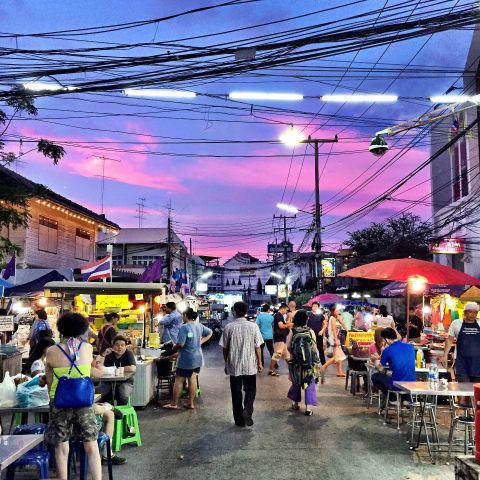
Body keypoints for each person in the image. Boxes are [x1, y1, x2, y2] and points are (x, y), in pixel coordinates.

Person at [44, 313, 103, 480]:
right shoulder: (87, 348)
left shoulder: (51, 351)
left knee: (62, 446)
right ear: (81, 329)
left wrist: (53, 395)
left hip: (60, 401)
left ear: (61, 329)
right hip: (84, 401)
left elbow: (49, 380)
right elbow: (92, 371)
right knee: (91, 444)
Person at [219, 301, 263, 427]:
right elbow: (258, 347)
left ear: (234, 312)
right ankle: (247, 411)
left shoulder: (229, 327)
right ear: (246, 311)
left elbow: (225, 348)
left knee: (236, 392)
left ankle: (239, 420)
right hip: (250, 365)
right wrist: (259, 362)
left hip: (234, 365)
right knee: (250, 390)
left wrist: (226, 363)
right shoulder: (253, 326)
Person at [163, 308, 212, 410]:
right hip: (198, 358)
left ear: (185, 315)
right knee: (192, 379)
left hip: (186, 359)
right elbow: (210, 332)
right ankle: (190, 403)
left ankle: (174, 403)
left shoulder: (184, 327)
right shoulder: (199, 326)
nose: (182, 317)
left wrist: (174, 347)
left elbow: (181, 344)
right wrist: (201, 342)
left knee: (179, 379)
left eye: (182, 315)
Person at [287, 310, 320, 416]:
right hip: (309, 364)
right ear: (306, 320)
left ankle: (296, 404)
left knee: (296, 383)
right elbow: (314, 347)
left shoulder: (293, 331)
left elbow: (288, 346)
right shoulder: (310, 331)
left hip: (296, 364)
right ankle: (308, 409)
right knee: (309, 384)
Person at [371, 328, 415, 402]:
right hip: (412, 382)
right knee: (403, 375)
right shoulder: (410, 347)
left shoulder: (387, 350)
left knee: (375, 377)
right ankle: (406, 398)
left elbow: (381, 368)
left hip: (397, 384)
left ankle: (392, 398)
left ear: (387, 340)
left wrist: (376, 363)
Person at [442, 302, 480, 382]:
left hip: (478, 363)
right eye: (470, 312)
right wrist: (445, 355)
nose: (473, 314)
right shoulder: (456, 323)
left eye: (475, 312)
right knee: (462, 388)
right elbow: (449, 340)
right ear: (464, 312)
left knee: (477, 391)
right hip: (461, 363)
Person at [97, 335, 136, 405]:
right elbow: (99, 367)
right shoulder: (109, 354)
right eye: (117, 345)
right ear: (113, 346)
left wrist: (118, 369)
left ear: (125, 347)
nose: (119, 347)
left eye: (122, 345)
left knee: (123, 397)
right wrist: (103, 355)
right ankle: (107, 412)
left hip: (125, 382)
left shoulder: (128, 354)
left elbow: (133, 368)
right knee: (97, 395)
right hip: (108, 383)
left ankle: (119, 414)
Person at [268, 303, 293, 377]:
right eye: (286, 310)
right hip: (279, 339)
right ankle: (271, 370)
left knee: (286, 355)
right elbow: (281, 326)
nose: (286, 311)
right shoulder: (278, 315)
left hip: (281, 338)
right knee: (277, 354)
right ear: (283, 308)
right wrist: (290, 324)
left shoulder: (279, 315)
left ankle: (292, 370)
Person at [322, 305, 346, 377]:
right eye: (337, 310)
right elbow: (334, 330)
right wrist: (336, 340)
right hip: (334, 339)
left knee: (340, 356)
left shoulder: (336, 317)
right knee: (336, 358)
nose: (338, 311)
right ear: (333, 311)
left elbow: (343, 324)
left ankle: (339, 372)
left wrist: (339, 318)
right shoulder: (332, 319)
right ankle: (322, 367)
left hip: (336, 338)